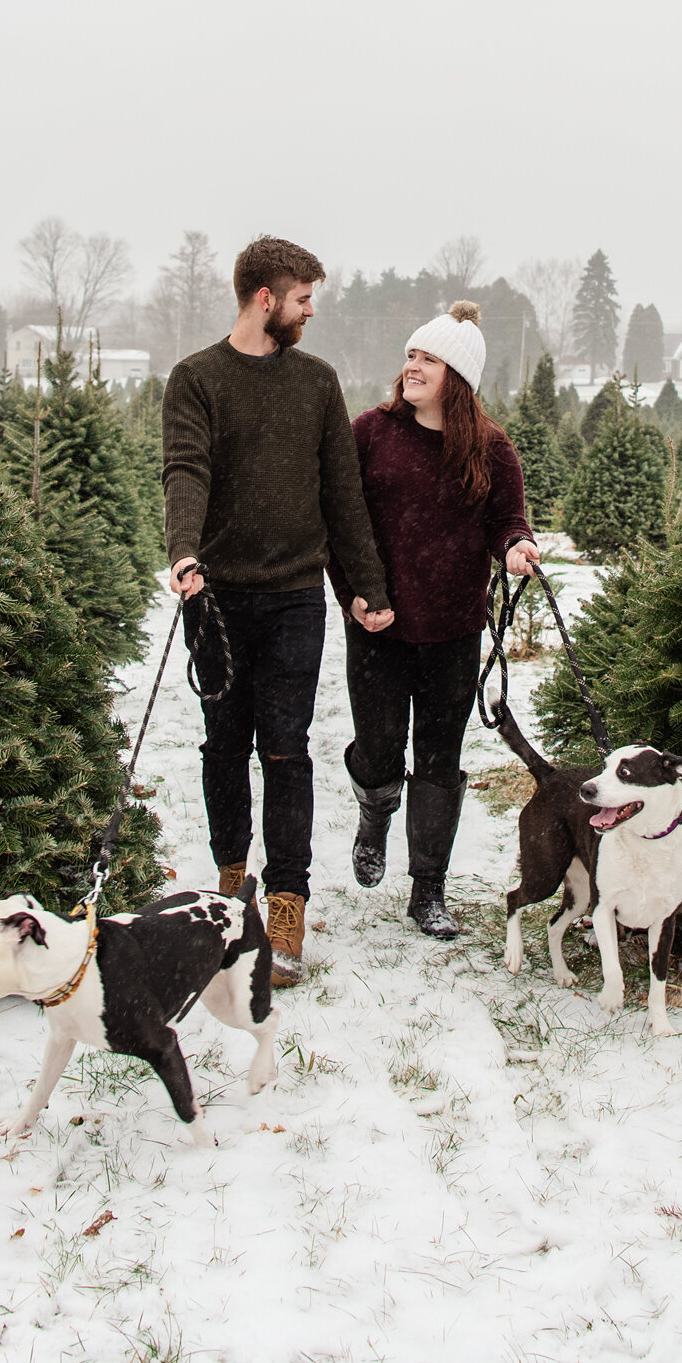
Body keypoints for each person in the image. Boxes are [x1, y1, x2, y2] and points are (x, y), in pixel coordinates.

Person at [162, 235, 394, 986]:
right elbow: (186, 467)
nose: (309, 310)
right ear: (266, 299)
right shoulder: (196, 378)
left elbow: (342, 493)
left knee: (286, 750)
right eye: (301, 299)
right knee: (223, 747)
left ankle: (287, 904)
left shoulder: (316, 383)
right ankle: (231, 891)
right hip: (218, 599)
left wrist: (367, 587)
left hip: (295, 597)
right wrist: (183, 551)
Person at [329, 302, 539, 939]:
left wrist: (516, 547)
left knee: (440, 759)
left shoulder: (491, 449)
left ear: (459, 375)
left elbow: (506, 521)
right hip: (378, 626)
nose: (412, 366)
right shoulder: (372, 432)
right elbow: (342, 522)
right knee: (378, 748)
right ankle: (374, 812)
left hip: (452, 628)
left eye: (428, 358)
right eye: (411, 355)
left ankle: (428, 889)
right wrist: (356, 596)